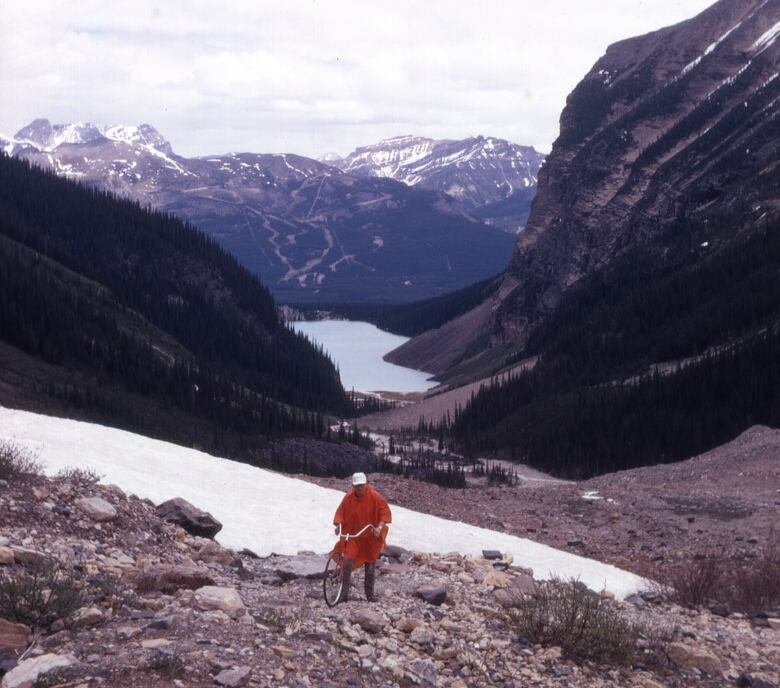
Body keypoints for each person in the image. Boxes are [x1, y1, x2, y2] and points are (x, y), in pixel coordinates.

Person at [332, 472, 391, 603]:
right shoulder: (348, 497)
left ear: (365, 484)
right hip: (354, 536)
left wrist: (379, 527)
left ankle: (370, 595)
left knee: (370, 565)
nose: (359, 488)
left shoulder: (375, 497)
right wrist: (338, 525)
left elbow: (384, 513)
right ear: (353, 486)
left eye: (362, 486)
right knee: (346, 562)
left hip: (370, 537)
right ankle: (343, 595)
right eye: (357, 486)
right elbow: (341, 512)